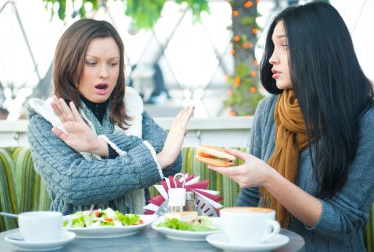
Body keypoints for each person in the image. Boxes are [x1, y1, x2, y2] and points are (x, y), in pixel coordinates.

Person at [209, 2, 374, 251]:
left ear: (320, 50)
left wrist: (269, 178)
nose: (271, 58)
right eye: (273, 46)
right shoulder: (268, 110)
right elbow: (252, 198)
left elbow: (342, 221)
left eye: (285, 46)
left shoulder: (366, 119)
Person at [27, 19, 194, 215]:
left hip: (136, 234)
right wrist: (157, 159)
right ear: (69, 64)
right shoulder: (44, 120)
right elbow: (75, 184)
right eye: (92, 63)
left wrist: (102, 146)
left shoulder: (131, 105)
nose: (104, 73)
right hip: (76, 238)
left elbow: (171, 162)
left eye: (113, 64)